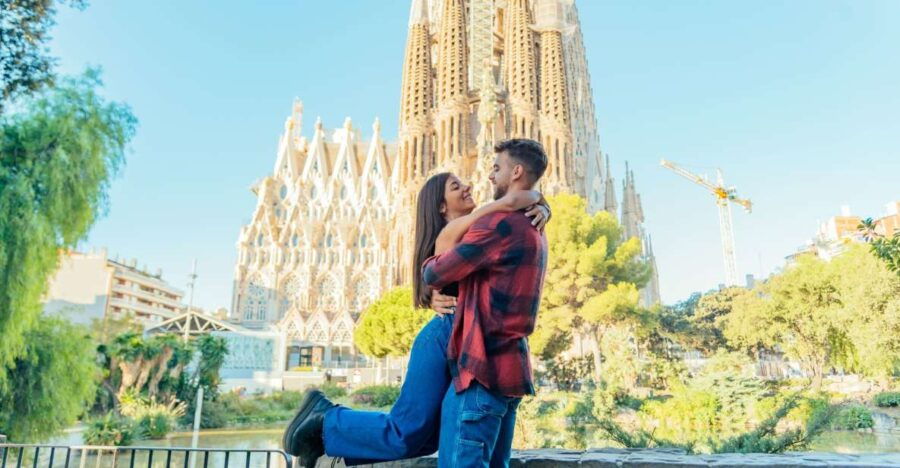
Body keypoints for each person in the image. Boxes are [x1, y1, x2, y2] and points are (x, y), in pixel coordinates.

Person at [282, 162, 550, 468]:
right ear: (440, 206)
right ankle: (326, 420)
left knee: (420, 435)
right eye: (455, 186)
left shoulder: (478, 228)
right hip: (445, 334)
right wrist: (516, 201)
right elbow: (438, 271)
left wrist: (541, 204)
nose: (468, 187)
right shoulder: (455, 233)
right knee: (407, 429)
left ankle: (327, 429)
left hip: (462, 336)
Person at [422, 139, 550, 467]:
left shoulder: (498, 226)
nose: (489, 177)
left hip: (483, 371)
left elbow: (435, 272)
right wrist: (534, 201)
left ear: (517, 172)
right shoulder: (535, 226)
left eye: (496, 168)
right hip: (510, 372)